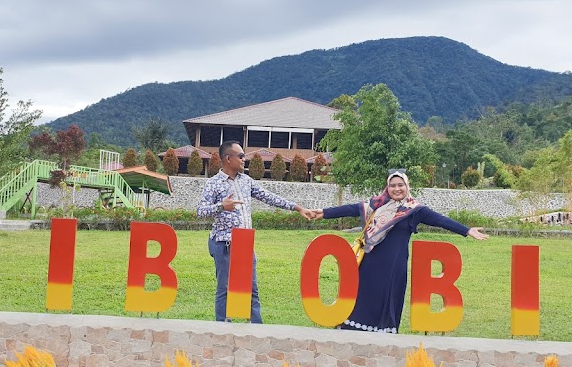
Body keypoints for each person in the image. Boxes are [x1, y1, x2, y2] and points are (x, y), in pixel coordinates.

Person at [309, 170, 488, 333]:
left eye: (400, 185)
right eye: (392, 185)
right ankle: (353, 329)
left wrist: (467, 230)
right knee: (364, 296)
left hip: (394, 266)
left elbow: (440, 220)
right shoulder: (376, 205)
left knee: (388, 297)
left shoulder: (414, 210)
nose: (396, 189)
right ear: (387, 187)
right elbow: (349, 209)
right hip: (370, 262)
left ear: (407, 186)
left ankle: (383, 332)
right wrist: (323, 213)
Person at [196, 141, 315, 323]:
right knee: (225, 289)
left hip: (245, 244)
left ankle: (256, 329)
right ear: (228, 159)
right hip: (223, 244)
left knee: (252, 289)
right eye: (241, 156)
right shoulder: (213, 184)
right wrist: (221, 206)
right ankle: (222, 328)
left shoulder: (246, 181)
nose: (244, 159)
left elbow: (269, 197)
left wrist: (297, 208)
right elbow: (200, 212)